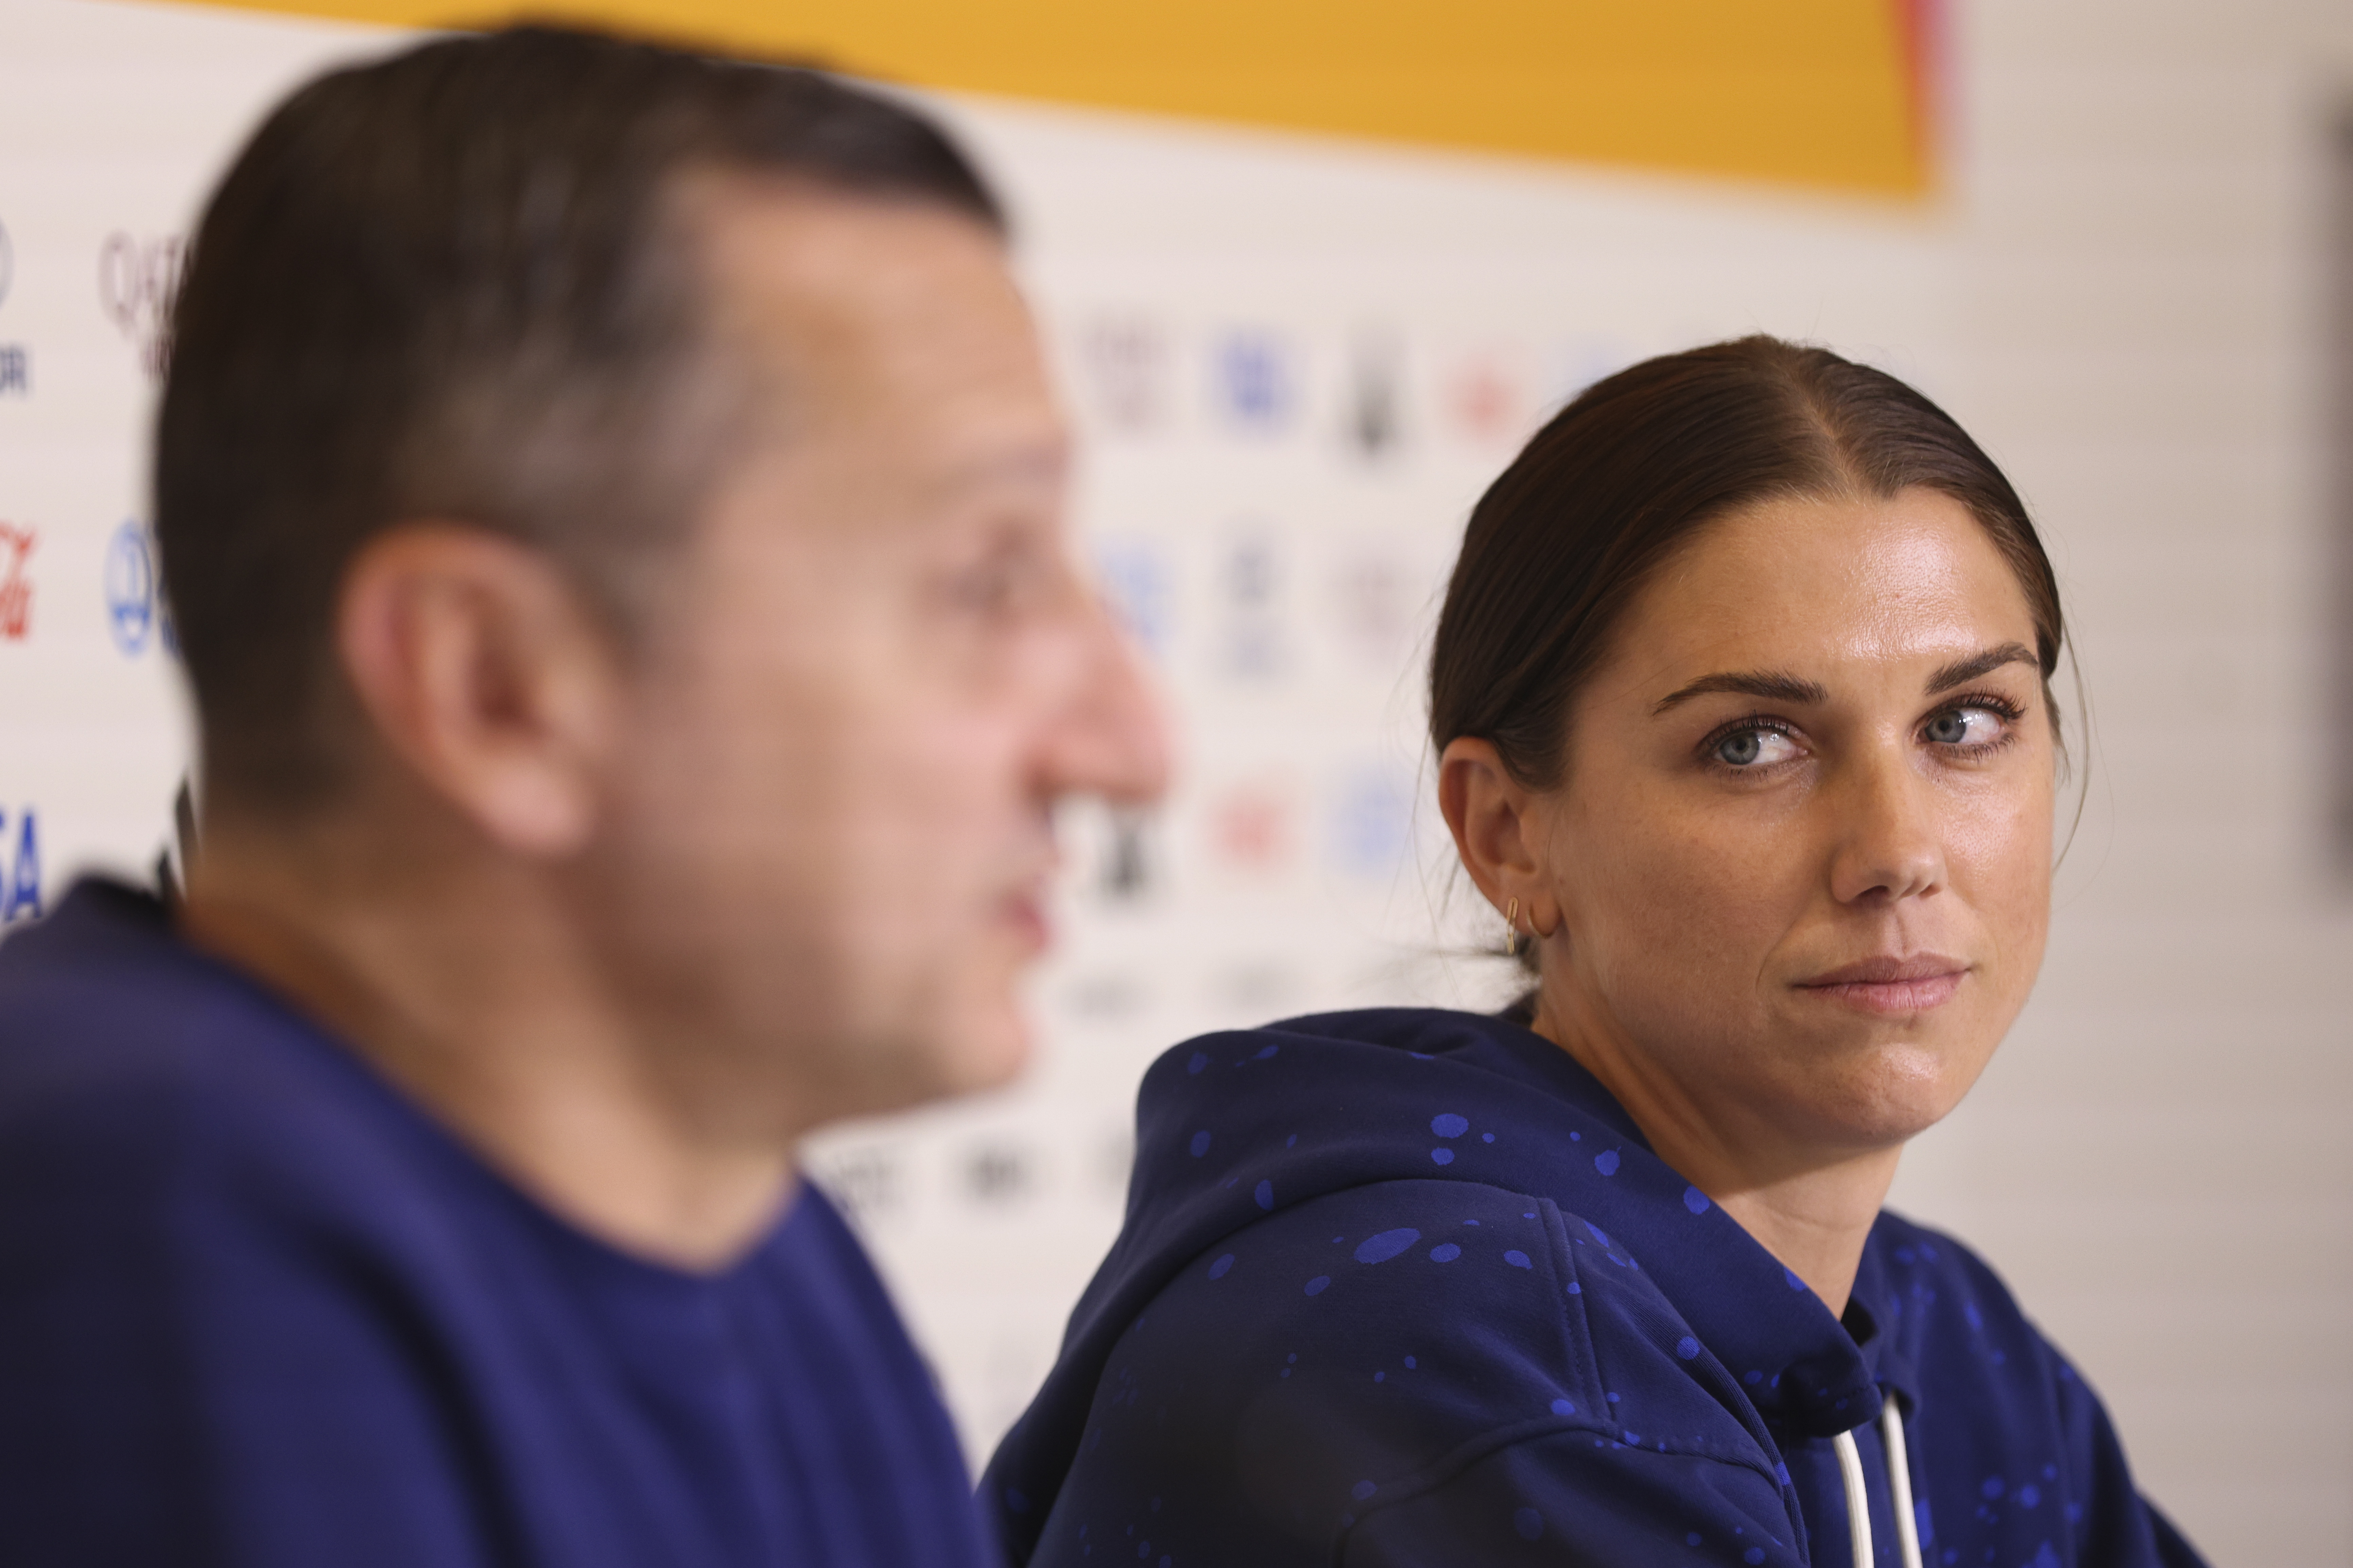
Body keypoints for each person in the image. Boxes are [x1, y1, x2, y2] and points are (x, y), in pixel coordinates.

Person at [0, 24, 1164, 1566]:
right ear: (494, 686)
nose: (1132, 746)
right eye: (986, 579)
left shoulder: (750, 1232)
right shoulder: (153, 1244)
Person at [982, 337, 2205, 1568]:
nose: (1896, 850)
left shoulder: (1950, 1339)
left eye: (1965, 721)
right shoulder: (1471, 1340)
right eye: (1751, 745)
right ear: (1509, 836)